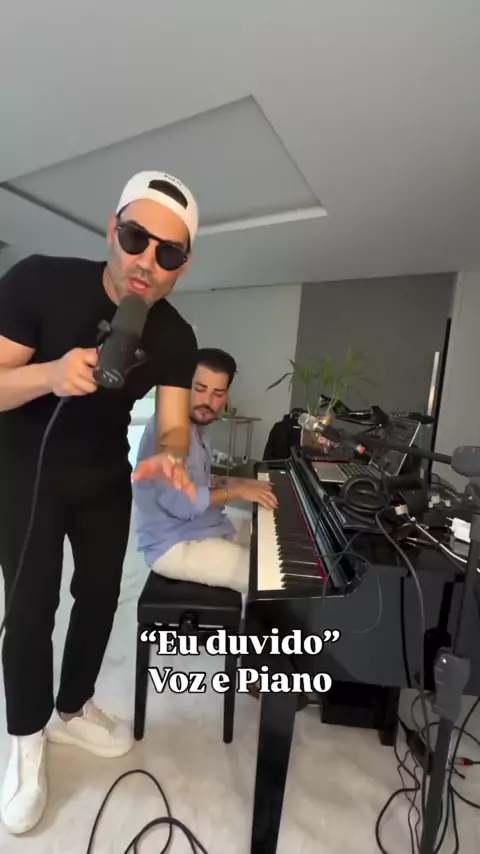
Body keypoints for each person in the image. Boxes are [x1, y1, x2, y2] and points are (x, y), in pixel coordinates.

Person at [0, 170, 200, 834]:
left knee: (100, 595)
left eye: (168, 252)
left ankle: (73, 706)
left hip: (103, 476)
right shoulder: (37, 280)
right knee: (31, 607)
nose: (147, 261)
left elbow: (174, 423)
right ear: (112, 231)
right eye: (136, 238)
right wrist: (49, 374)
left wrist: (171, 452)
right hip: (25, 468)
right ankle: (27, 738)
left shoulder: (175, 336)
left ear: (183, 265)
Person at [133, 348, 277, 593]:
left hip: (206, 525)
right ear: (184, 388)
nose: (207, 402)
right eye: (199, 389)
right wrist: (237, 492)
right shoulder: (167, 432)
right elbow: (183, 504)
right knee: (268, 576)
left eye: (217, 394)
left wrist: (236, 483)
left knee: (270, 538)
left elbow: (196, 477)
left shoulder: (198, 429)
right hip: (174, 544)